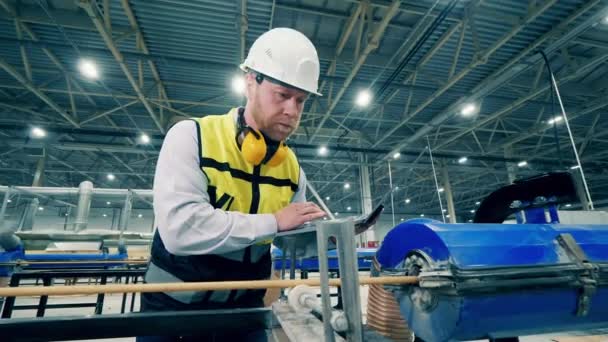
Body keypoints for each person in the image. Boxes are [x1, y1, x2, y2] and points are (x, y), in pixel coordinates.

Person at [137, 27, 326, 342]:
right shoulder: (192, 137)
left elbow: (285, 240)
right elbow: (180, 231)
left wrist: (319, 236)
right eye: (282, 95)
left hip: (244, 315)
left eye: (301, 101)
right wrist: (274, 221)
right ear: (250, 82)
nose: (292, 111)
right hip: (172, 315)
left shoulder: (291, 168)